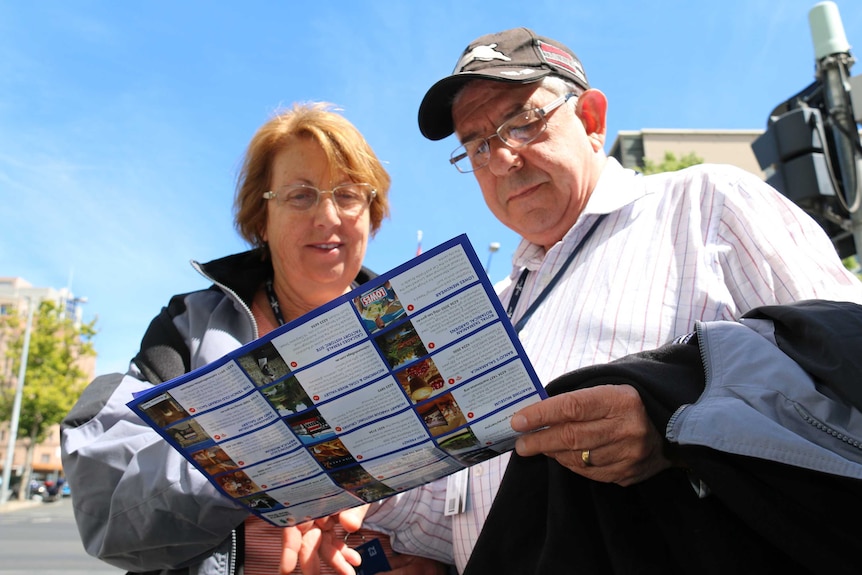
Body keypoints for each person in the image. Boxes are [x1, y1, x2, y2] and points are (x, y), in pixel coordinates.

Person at [314, 27, 862, 574]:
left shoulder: (707, 204)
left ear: (592, 120)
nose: (503, 158)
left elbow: (842, 366)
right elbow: (469, 511)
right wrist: (364, 497)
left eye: (523, 123)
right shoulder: (492, 307)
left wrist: (672, 417)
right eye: (478, 145)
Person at [60, 103, 452, 575]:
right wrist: (263, 461)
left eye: (348, 195)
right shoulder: (190, 327)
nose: (328, 216)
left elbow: (475, 491)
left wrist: (436, 559)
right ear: (261, 220)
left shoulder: (418, 332)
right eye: (301, 196)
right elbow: (109, 507)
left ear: (372, 215)